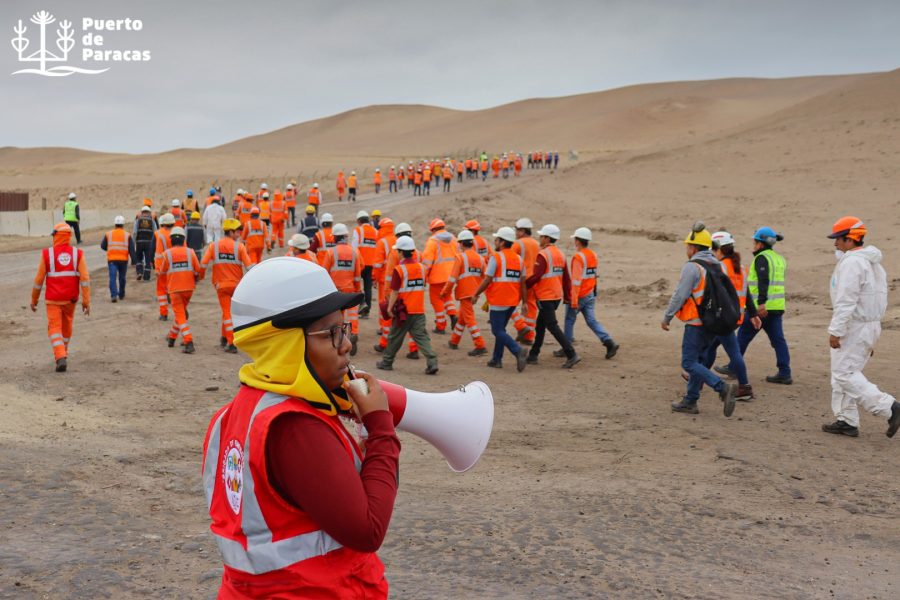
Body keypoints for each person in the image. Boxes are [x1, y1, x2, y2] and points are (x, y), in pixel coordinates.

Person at [202, 257, 398, 598]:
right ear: (287, 345)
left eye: (345, 329)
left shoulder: (232, 415)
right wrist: (381, 429)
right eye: (332, 333)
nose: (346, 345)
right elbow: (367, 531)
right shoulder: (295, 427)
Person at [820, 216, 900, 438]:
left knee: (844, 374)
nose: (835, 244)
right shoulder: (873, 263)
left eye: (838, 239)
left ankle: (889, 407)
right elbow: (879, 298)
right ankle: (846, 420)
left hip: (854, 325)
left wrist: (836, 331)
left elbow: (846, 301)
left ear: (849, 239)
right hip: (869, 324)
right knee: (844, 372)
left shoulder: (853, 263)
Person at [662, 225, 738, 416]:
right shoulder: (717, 265)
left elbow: (680, 295)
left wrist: (667, 316)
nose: (686, 249)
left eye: (688, 246)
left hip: (696, 323)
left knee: (689, 363)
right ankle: (690, 400)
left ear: (694, 248)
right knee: (700, 361)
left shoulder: (692, 267)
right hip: (713, 322)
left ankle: (722, 388)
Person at [719, 226, 793, 384]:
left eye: (755, 242)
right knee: (778, 340)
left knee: (743, 336)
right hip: (777, 307)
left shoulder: (762, 258)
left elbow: (764, 281)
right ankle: (785, 371)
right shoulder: (779, 259)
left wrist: (761, 303)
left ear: (761, 243)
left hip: (762, 308)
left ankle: (733, 367)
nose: (753, 245)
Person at [702, 231, 759, 400]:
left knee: (719, 349)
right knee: (713, 347)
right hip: (736, 317)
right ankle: (699, 380)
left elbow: (711, 294)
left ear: (718, 249)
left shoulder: (719, 267)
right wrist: (753, 313)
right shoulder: (740, 268)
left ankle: (744, 387)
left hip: (721, 318)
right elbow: (746, 292)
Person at [31, 223, 91, 372]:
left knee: (54, 328)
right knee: (66, 328)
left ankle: (60, 356)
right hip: (70, 300)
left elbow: (39, 280)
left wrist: (34, 300)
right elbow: (85, 278)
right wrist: (86, 301)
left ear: (56, 236)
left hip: (53, 300)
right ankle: (63, 353)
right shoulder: (78, 254)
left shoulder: (47, 254)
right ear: (69, 237)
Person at [376, 236, 439, 374]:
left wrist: (389, 308)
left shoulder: (399, 270)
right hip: (419, 310)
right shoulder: (422, 268)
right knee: (422, 337)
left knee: (394, 337)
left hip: (403, 312)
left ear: (401, 252)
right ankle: (432, 361)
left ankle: (387, 362)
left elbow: (395, 292)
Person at [471, 227, 528, 371]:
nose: (495, 242)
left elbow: (487, 280)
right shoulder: (519, 259)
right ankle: (496, 359)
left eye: (497, 239)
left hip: (498, 300)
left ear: (502, 242)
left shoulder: (496, 258)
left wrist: (476, 294)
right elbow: (523, 284)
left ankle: (517, 350)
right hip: (512, 301)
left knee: (497, 331)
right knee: (501, 329)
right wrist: (525, 302)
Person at [524, 225, 580, 368]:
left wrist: (524, 285)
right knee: (541, 325)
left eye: (542, 236)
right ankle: (533, 355)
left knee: (552, 326)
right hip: (556, 296)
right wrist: (567, 296)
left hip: (545, 296)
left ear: (547, 238)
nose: (540, 238)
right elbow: (566, 278)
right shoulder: (560, 254)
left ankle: (571, 353)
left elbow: (536, 276)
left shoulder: (543, 255)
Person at [559, 227, 619, 360]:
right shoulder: (593, 255)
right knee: (591, 321)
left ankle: (566, 347)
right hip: (590, 293)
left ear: (578, 241)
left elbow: (575, 281)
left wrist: (573, 301)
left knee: (569, 320)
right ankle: (609, 342)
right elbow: (593, 275)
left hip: (580, 295)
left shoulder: (578, 257)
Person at [201, 219, 252, 353]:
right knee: (228, 312)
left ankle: (231, 343)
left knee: (226, 312)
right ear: (231, 232)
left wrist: (199, 276)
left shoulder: (213, 246)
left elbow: (203, 264)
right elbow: (249, 267)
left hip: (221, 285)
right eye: (237, 231)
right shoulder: (240, 247)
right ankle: (225, 338)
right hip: (236, 285)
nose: (240, 233)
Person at [320, 223, 363, 356]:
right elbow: (358, 274)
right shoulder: (355, 252)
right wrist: (357, 290)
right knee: (352, 317)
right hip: (350, 290)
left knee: (336, 319)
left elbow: (324, 273)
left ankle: (339, 341)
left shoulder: (330, 252)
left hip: (335, 292)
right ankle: (353, 334)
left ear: (335, 238)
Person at [442, 230, 487, 355]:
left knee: (469, 319)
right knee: (462, 317)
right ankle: (454, 341)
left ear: (461, 244)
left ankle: (480, 344)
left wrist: (444, 292)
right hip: (475, 293)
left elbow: (452, 279)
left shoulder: (460, 257)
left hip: (464, 293)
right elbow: (486, 277)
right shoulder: (480, 259)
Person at [159, 226, 203, 354]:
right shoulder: (191, 252)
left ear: (171, 240)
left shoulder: (167, 254)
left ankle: (188, 341)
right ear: (184, 239)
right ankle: (172, 338)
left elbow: (162, 271)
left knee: (180, 315)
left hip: (174, 289)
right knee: (182, 314)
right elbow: (197, 270)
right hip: (189, 289)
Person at [422, 219, 458, 334]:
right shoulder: (454, 239)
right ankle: (453, 315)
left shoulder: (432, 241)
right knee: (447, 297)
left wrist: (424, 276)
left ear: (433, 229)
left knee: (436, 300)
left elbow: (427, 262)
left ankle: (441, 325)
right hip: (451, 275)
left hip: (437, 276)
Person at [511, 218, 540, 344]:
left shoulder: (518, 244)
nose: (516, 233)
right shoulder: (537, 243)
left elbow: (510, 260)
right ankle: (529, 337)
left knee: (509, 304)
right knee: (531, 307)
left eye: (517, 230)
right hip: (533, 280)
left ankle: (521, 326)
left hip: (520, 281)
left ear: (522, 231)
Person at [100, 215, 135, 302]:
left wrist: (111, 249)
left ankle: (114, 295)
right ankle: (122, 294)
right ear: (123, 225)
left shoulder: (108, 234)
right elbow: (131, 249)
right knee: (122, 277)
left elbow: (103, 246)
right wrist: (134, 261)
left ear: (115, 224)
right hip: (123, 260)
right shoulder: (127, 235)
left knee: (112, 277)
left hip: (112, 259)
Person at [352, 211, 379, 317]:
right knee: (368, 288)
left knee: (357, 286)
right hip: (371, 264)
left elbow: (354, 248)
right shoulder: (375, 231)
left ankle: (362, 305)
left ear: (359, 221)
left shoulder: (358, 230)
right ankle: (367, 311)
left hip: (360, 264)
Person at [154, 213, 176, 320]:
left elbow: (158, 254)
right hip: (176, 267)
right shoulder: (179, 233)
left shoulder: (160, 235)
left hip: (163, 267)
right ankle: (180, 311)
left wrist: (158, 269)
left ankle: (164, 314)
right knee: (175, 290)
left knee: (162, 290)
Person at [133, 205, 157, 281]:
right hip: (149, 243)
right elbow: (155, 232)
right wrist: (155, 243)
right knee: (148, 260)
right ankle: (146, 277)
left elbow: (134, 232)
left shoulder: (138, 220)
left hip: (139, 242)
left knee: (139, 258)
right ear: (149, 212)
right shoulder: (152, 220)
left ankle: (139, 272)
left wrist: (133, 243)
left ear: (142, 212)